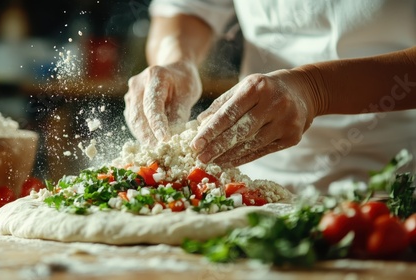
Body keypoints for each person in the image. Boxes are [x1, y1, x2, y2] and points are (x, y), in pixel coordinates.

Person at [124, 0, 416, 193]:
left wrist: (317, 89)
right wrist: (177, 59)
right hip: (255, 186)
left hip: (394, 185)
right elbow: (187, 8)